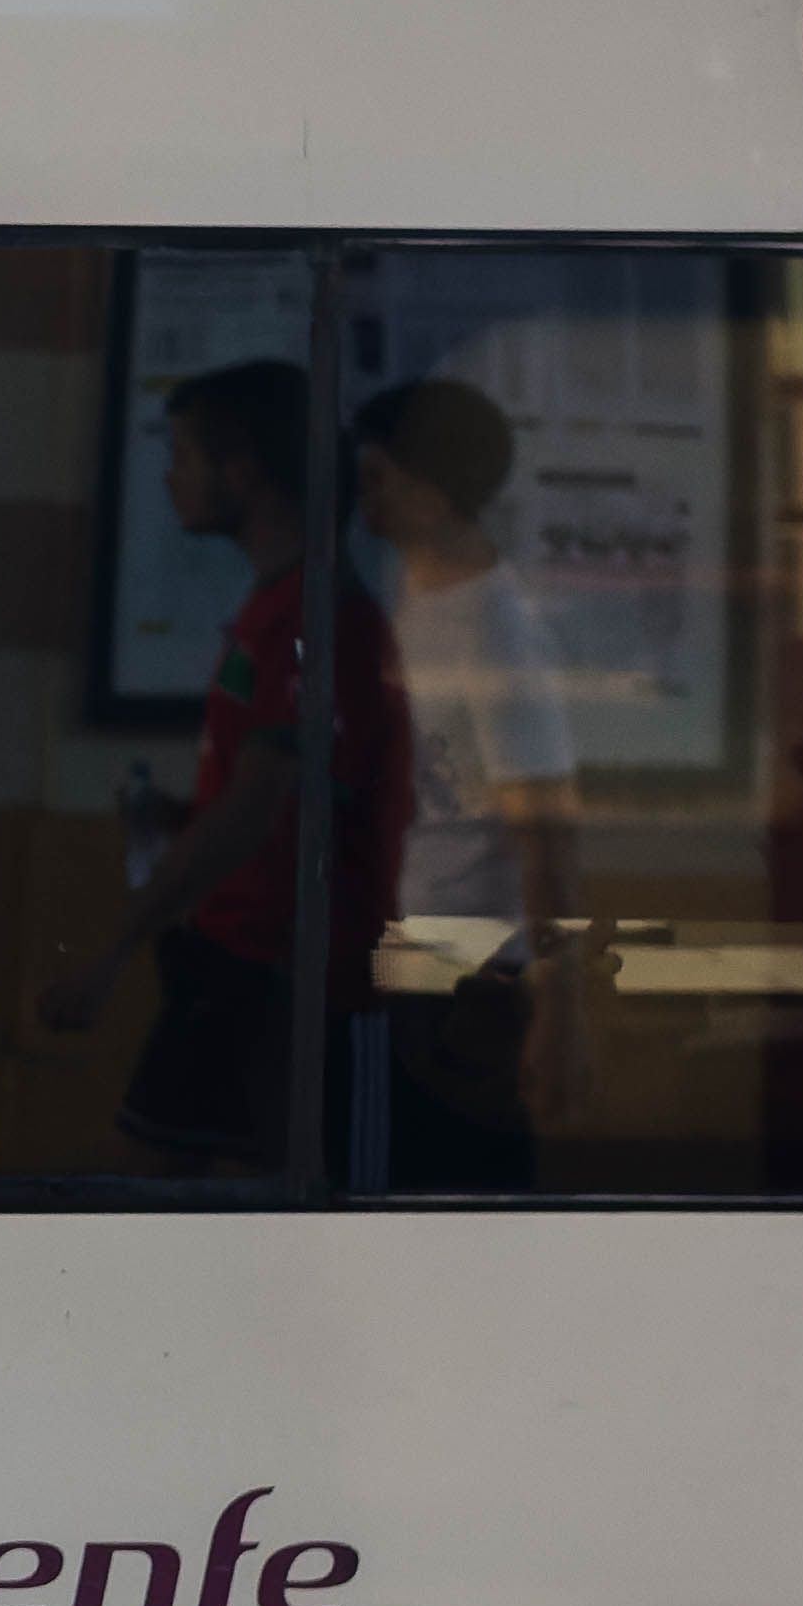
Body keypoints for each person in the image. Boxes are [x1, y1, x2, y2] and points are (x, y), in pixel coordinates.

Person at [41, 361, 412, 1171]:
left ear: (241, 470)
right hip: (237, 965)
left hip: (275, 977)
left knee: (139, 1183)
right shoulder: (278, 606)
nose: (171, 478)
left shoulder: (315, 618)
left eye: (183, 457)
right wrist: (182, 818)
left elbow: (258, 805)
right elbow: (273, 802)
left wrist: (115, 949)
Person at [352, 378, 589, 1177]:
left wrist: (561, 1016)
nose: (364, 490)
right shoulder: (417, 603)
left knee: (453, 1204)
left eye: (378, 472)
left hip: (469, 974)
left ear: (429, 484)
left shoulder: (497, 628)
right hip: (415, 955)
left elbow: (548, 837)